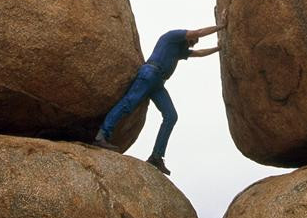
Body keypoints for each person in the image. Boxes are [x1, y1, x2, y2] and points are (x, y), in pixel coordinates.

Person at [93, 18, 226, 175]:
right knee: (128, 104)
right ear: (189, 36)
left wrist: (219, 48)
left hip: (158, 84)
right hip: (150, 73)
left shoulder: (180, 50)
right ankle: (101, 136)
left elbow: (199, 53)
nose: (193, 44)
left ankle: (156, 156)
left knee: (171, 116)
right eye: (193, 41)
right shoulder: (172, 36)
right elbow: (199, 32)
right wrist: (222, 27)